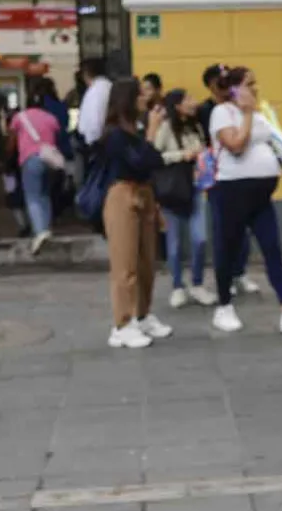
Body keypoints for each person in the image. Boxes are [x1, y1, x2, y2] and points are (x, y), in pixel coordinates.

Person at [208, 66, 282, 333]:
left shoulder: (259, 112)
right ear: (234, 89)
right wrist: (245, 113)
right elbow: (235, 145)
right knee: (228, 248)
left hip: (261, 194)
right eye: (249, 84)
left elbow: (273, 139)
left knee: (272, 247)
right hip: (232, 191)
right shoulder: (222, 112)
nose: (255, 88)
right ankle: (224, 306)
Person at [101, 78, 174, 349]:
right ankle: (122, 324)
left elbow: (153, 162)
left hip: (145, 194)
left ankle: (142, 315)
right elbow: (138, 162)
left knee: (146, 262)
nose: (146, 98)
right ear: (128, 99)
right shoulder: (114, 134)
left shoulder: (136, 129)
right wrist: (153, 132)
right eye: (141, 94)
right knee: (125, 264)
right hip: (122, 195)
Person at [195, 63, 257, 294]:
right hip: (218, 174)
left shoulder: (241, 108)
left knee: (244, 229)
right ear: (212, 85)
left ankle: (240, 272)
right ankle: (225, 276)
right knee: (223, 228)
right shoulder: (208, 110)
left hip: (243, 174)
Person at [154, 88, 218, 308]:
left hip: (195, 188)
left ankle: (197, 283)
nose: (193, 103)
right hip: (172, 190)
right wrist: (182, 155)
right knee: (174, 244)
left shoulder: (196, 126)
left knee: (200, 238)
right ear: (177, 106)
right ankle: (177, 286)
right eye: (188, 99)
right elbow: (155, 156)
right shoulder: (166, 128)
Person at [7, 84, 63, 254]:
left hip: (30, 158)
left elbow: (12, 141)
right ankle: (46, 228)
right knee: (45, 195)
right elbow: (57, 136)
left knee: (32, 196)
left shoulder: (19, 117)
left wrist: (7, 158)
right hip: (50, 159)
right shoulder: (51, 118)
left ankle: (40, 231)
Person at [78, 58, 113, 147]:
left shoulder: (96, 91)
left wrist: (92, 143)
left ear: (86, 73)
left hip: (95, 142)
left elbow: (95, 119)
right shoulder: (109, 86)